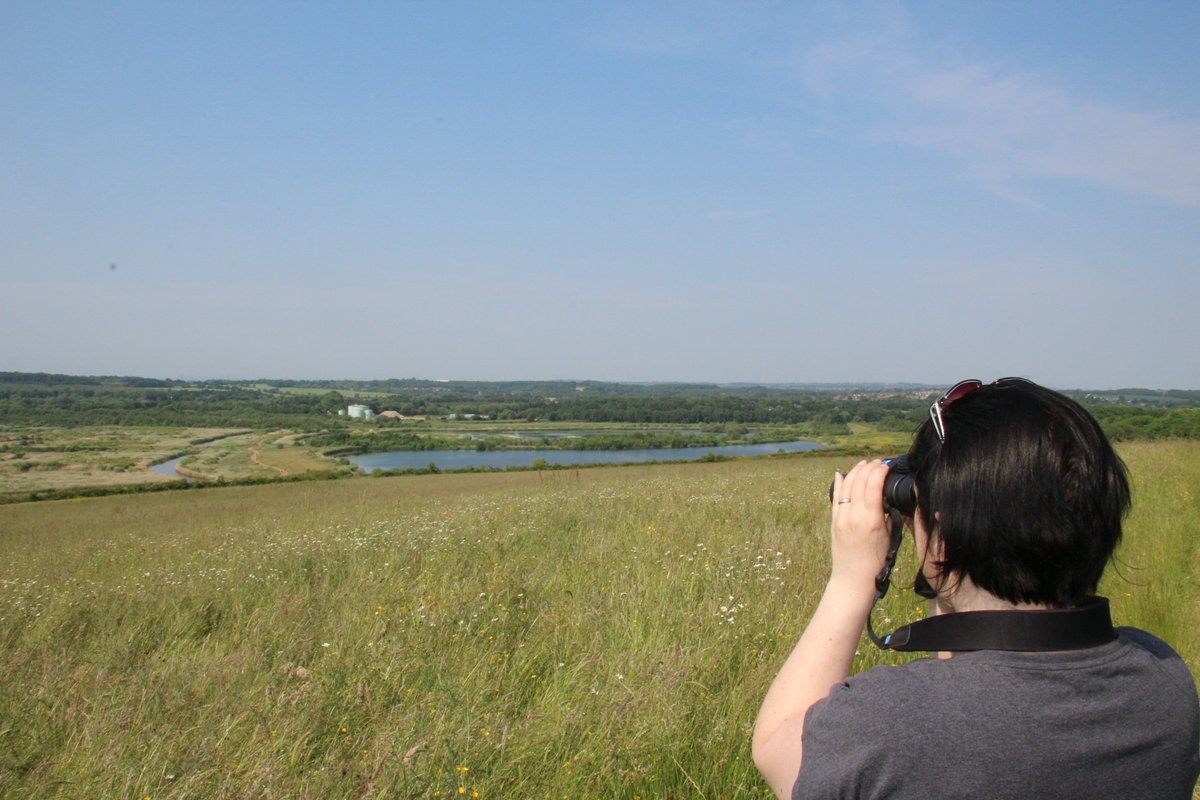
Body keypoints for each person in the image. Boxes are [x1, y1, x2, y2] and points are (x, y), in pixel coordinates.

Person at [752, 378, 1200, 800]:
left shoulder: (887, 726)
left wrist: (851, 580)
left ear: (944, 539)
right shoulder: (1165, 684)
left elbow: (778, 745)